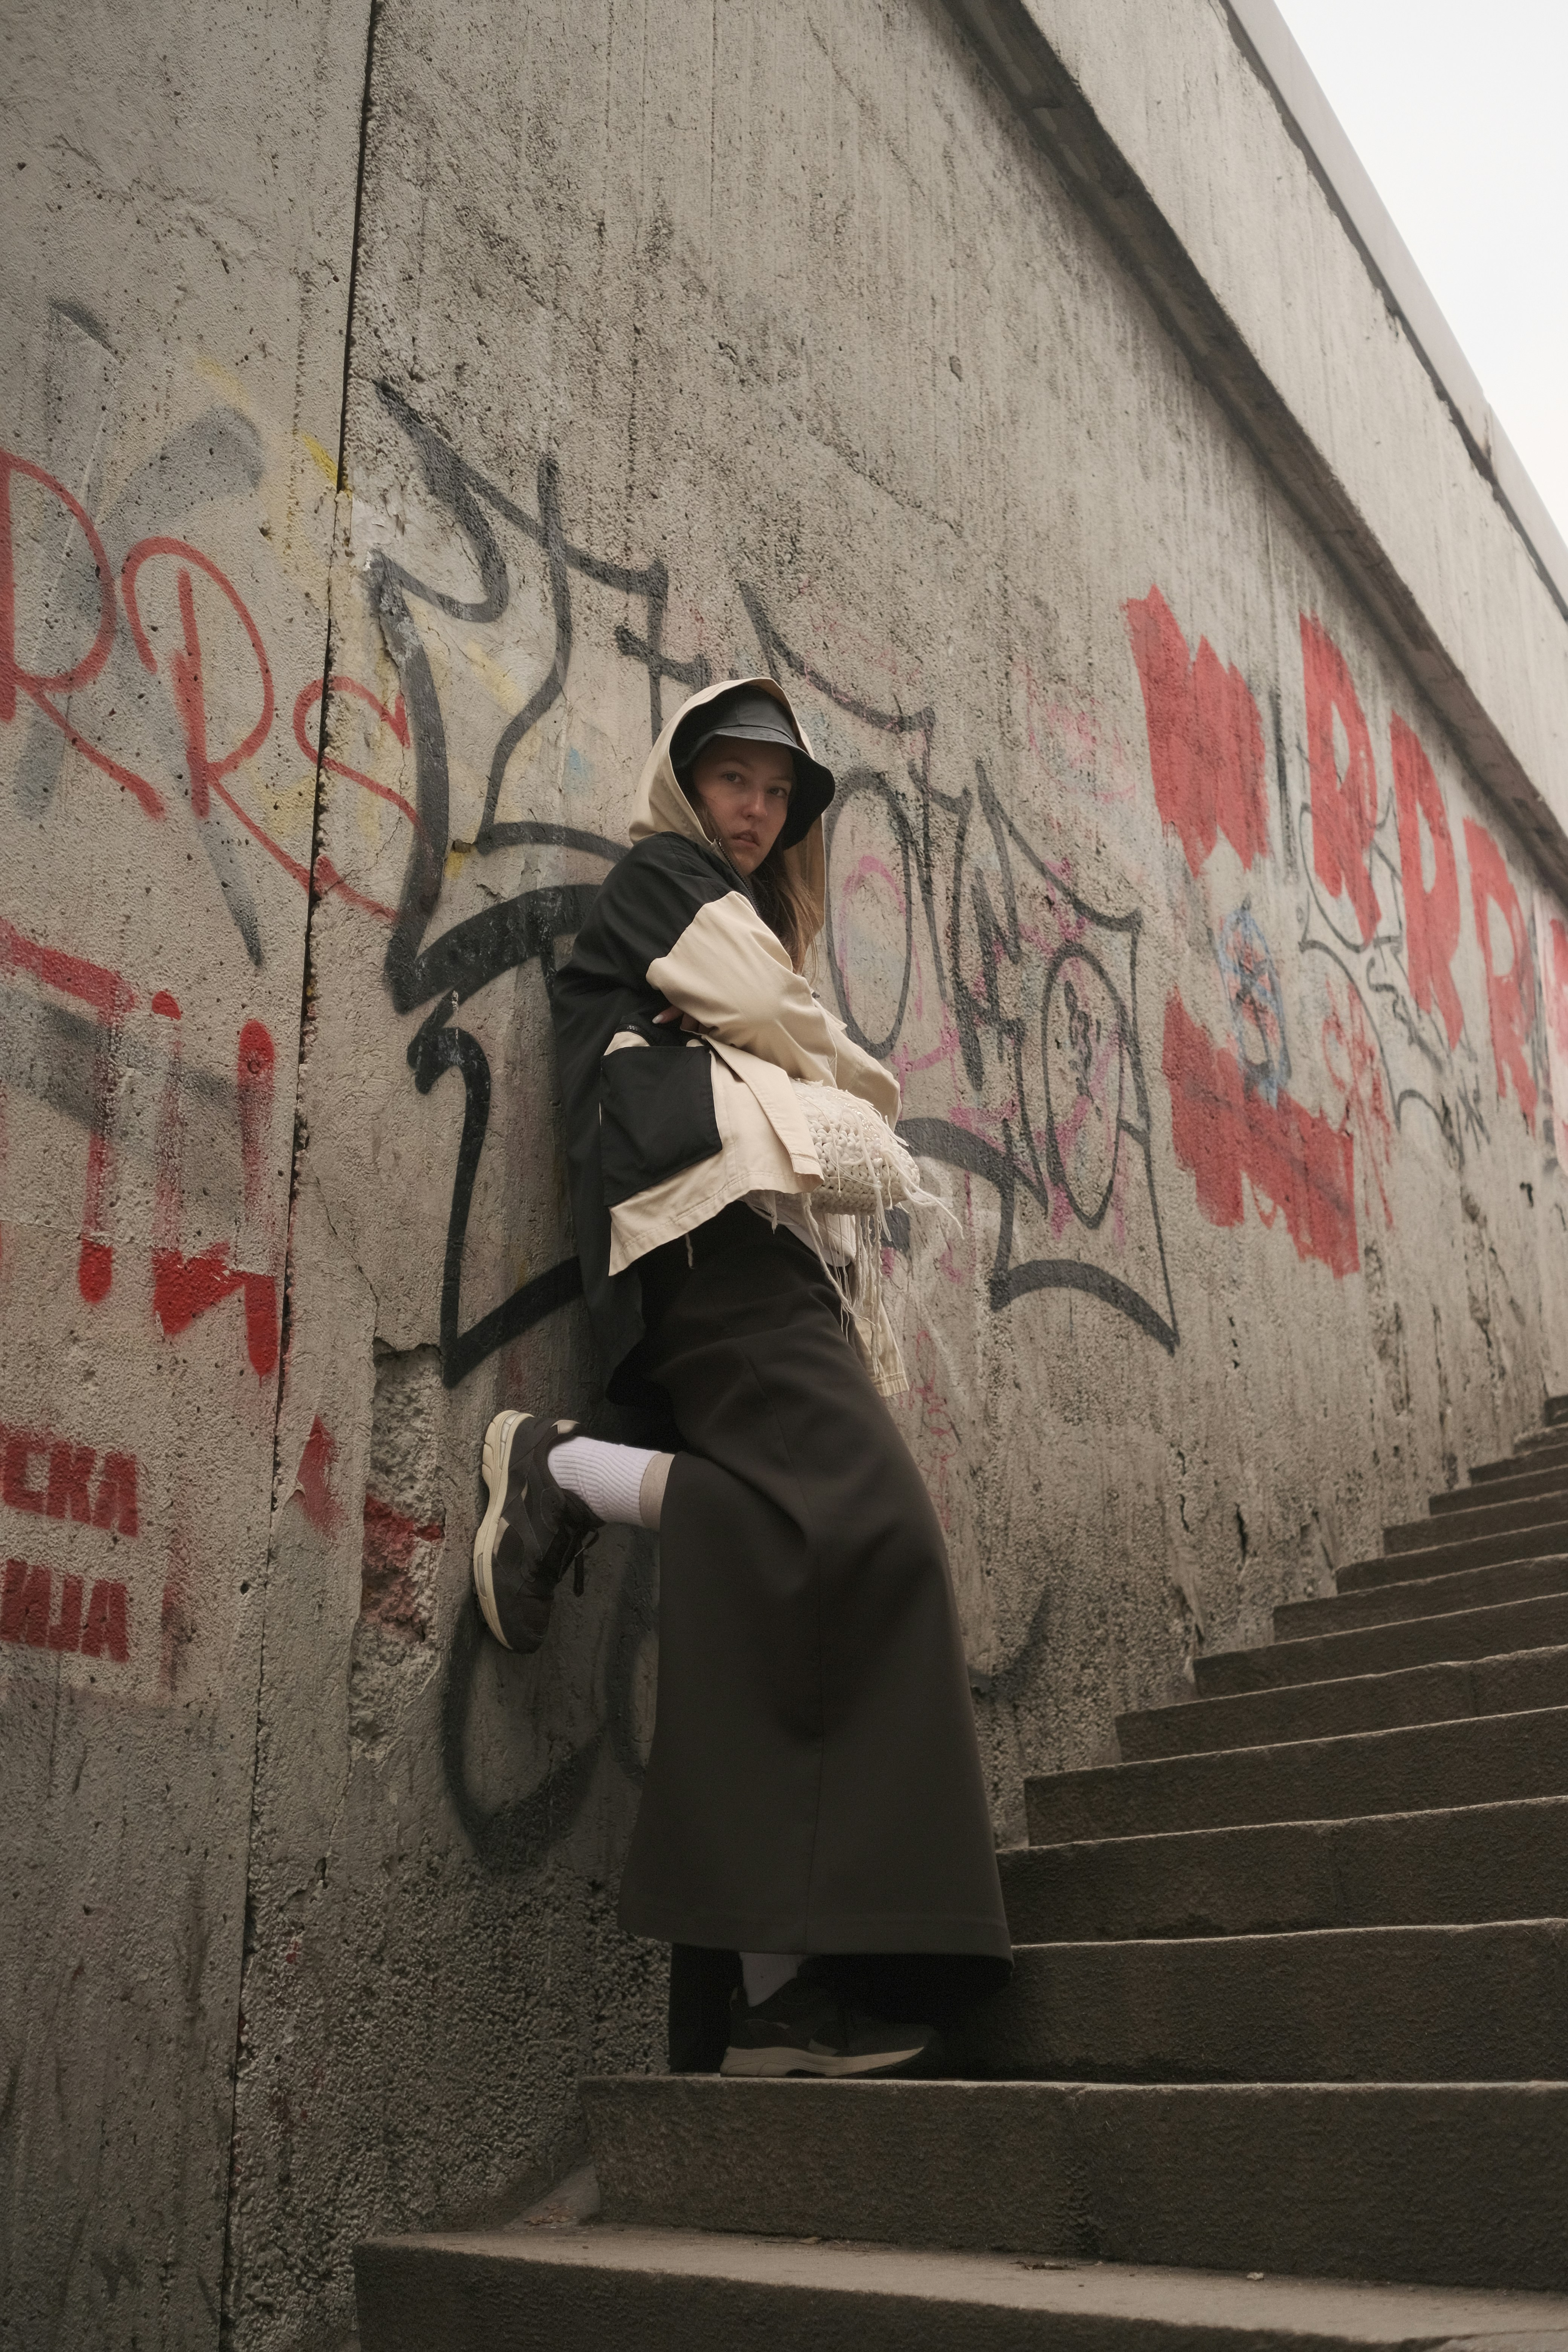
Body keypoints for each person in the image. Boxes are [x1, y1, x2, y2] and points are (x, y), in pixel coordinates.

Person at [470, 676, 1011, 2076]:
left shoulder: (743, 916)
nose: (757, 813)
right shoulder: (665, 880)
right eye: (734, 783)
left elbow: (779, 1034)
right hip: (708, 1257)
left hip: (750, 1270)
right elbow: (777, 1025)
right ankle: (566, 1469)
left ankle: (772, 1995)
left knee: (785, 1549)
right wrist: (867, 1092)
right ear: (685, 786)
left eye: (778, 796)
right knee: (874, 1534)